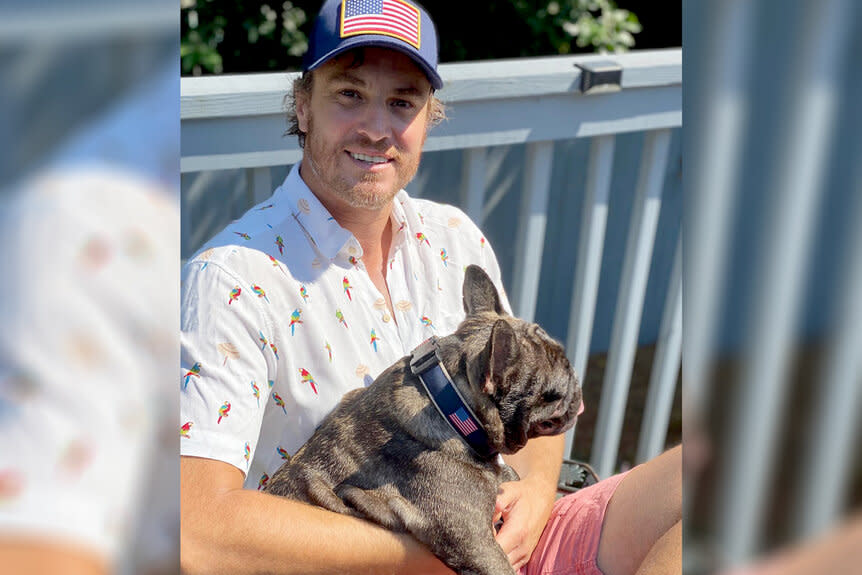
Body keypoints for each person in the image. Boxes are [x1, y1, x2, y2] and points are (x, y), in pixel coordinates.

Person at [179, 1, 681, 574]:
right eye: (349, 94)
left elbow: (527, 397)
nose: (376, 127)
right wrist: (428, 556)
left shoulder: (453, 237)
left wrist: (539, 493)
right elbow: (197, 530)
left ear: (429, 116)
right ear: (302, 104)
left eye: (401, 102)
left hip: (505, 543)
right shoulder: (233, 278)